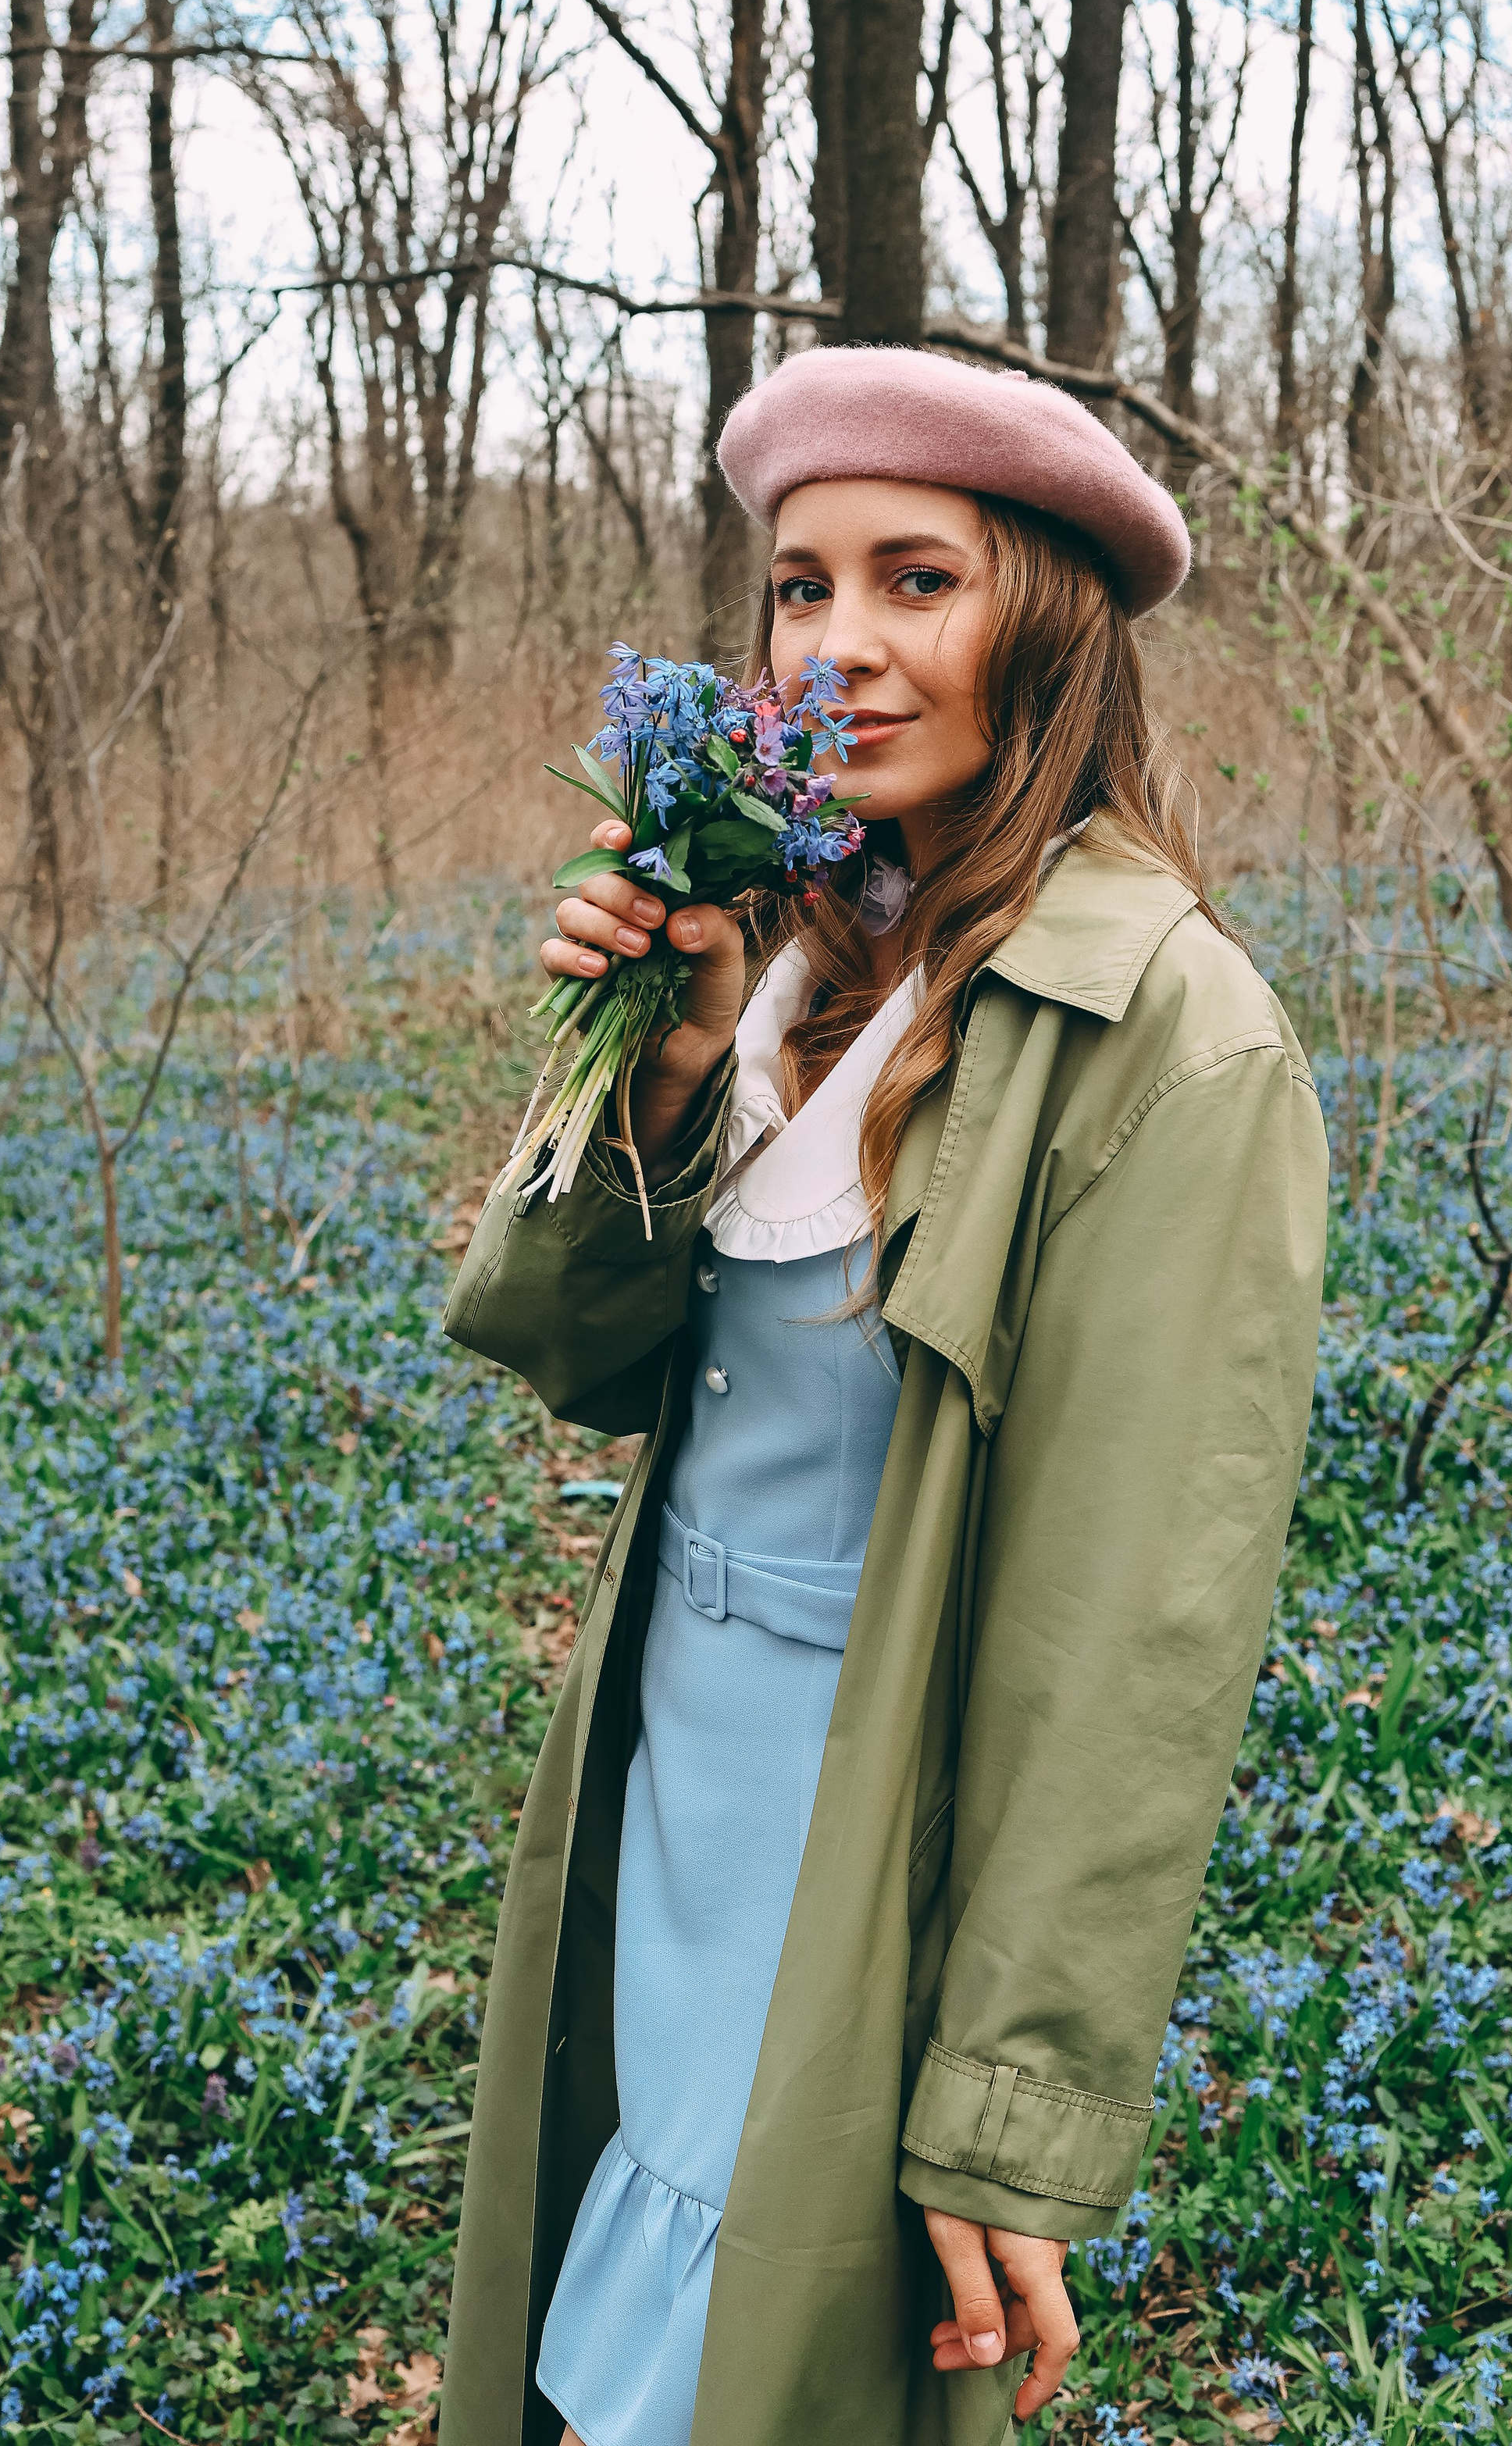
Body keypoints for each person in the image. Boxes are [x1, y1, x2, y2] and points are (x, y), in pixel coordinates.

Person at [437, 348, 1328, 2446]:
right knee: (605, 2321)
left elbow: (1136, 1643)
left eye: (915, 580)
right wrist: (649, 1077)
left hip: (872, 1841)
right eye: (797, 588)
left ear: (1049, 627)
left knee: (755, 2375)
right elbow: (566, 1349)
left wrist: (1016, 2108)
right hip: (672, 1783)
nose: (835, 648)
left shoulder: (1171, 1031)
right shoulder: (782, 944)